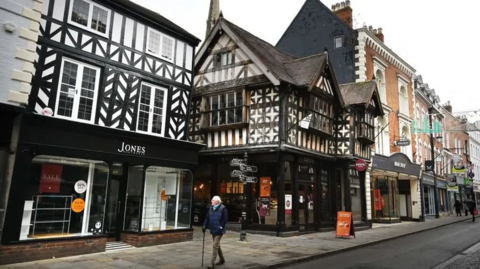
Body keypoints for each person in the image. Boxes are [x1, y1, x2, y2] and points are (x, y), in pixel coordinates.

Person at [203, 196, 228, 269]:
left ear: (217, 201)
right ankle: (222, 259)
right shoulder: (211, 208)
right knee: (217, 245)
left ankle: (212, 263)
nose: (211, 201)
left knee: (215, 245)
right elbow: (207, 217)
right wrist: (204, 225)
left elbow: (225, 218)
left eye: (212, 200)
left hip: (219, 230)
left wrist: (221, 226)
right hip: (213, 229)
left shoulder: (223, 208)